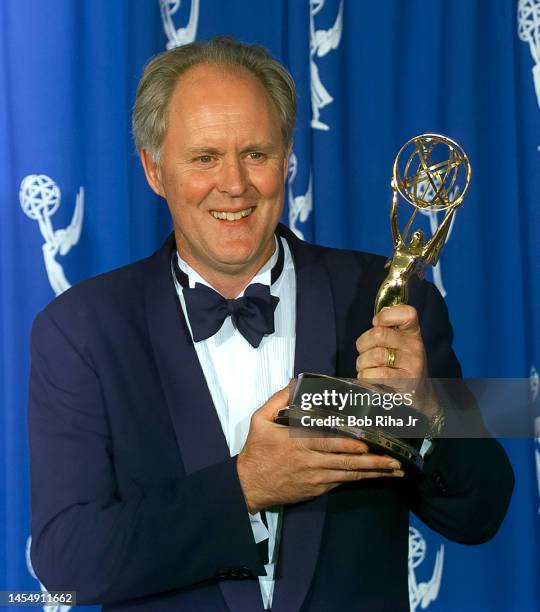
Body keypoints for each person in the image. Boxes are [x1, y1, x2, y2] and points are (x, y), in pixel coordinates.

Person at [28, 37, 513, 612]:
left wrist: (424, 414)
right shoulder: (82, 330)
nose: (234, 184)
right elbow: (68, 564)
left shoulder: (388, 306)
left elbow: (480, 514)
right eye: (204, 157)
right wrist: (246, 486)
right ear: (154, 170)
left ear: (286, 159)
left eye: (256, 153)